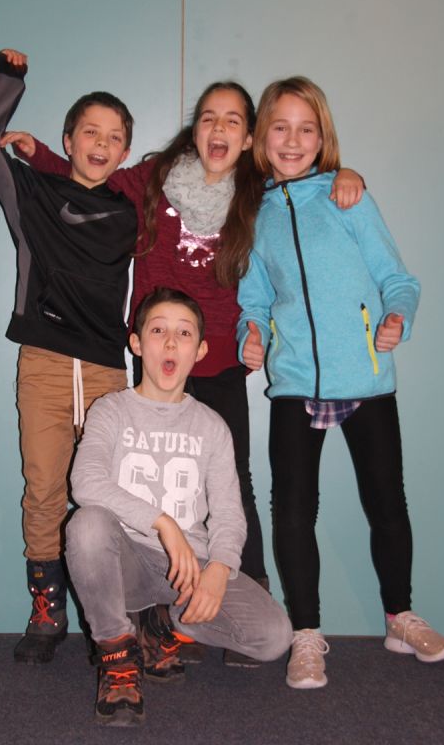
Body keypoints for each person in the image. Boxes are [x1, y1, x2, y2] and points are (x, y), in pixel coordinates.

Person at [2, 85, 363, 668]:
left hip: (216, 358)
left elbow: (300, 194)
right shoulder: (156, 177)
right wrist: (42, 156)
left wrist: (344, 174)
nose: (219, 129)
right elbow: (93, 175)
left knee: (232, 481)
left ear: (248, 138)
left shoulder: (258, 193)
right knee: (139, 478)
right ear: (195, 129)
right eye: (208, 118)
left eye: (233, 121)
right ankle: (149, 614)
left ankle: (242, 590)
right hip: (154, 357)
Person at [237, 76, 444, 689]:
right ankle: (306, 634)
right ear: (261, 137)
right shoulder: (254, 214)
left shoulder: (347, 196)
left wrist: (397, 318)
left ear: (323, 137)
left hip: (366, 378)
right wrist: (250, 333)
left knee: (387, 502)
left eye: (306, 129)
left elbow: (398, 279)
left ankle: (400, 617)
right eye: (280, 127)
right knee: (292, 511)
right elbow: (254, 298)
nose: (293, 140)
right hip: (294, 383)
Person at [0, 49, 137, 664]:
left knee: (112, 495)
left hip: (109, 371)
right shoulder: (31, 192)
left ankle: (117, 614)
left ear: (124, 153)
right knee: (43, 492)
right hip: (44, 363)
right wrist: (9, 79)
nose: (101, 144)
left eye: (114, 137)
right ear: (69, 140)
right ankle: (47, 610)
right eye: (90, 132)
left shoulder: (129, 212)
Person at [65, 286, 292, 726]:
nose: (171, 343)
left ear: (200, 351)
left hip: (190, 570)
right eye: (158, 331)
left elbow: (229, 514)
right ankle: (118, 659)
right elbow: (85, 482)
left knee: (273, 637)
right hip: (125, 562)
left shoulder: (212, 426)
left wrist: (219, 570)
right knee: (86, 524)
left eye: (184, 333)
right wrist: (163, 523)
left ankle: (161, 625)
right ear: (136, 343)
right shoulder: (110, 410)